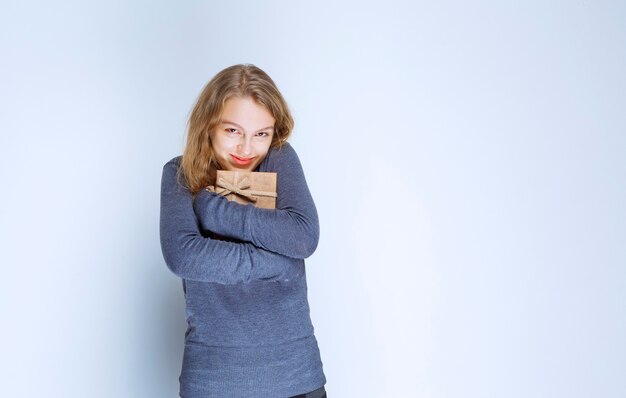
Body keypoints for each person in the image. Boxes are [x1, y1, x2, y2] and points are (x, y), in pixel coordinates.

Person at [159, 64, 327, 397]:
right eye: (233, 131)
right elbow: (184, 256)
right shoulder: (179, 173)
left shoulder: (278, 159)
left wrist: (214, 210)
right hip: (213, 383)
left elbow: (303, 235)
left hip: (297, 380)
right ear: (208, 125)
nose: (247, 149)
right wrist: (280, 262)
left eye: (261, 133)